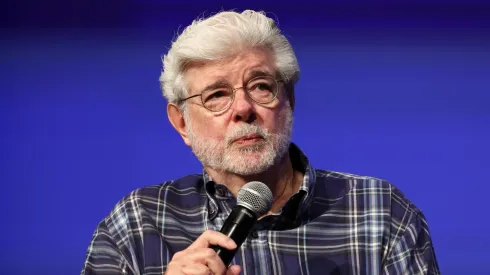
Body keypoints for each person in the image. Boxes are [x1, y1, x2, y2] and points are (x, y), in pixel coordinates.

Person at [81, 9, 440, 275]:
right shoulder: (137, 224)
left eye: (261, 86)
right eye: (217, 95)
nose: (243, 108)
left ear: (290, 100)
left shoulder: (379, 214)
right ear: (182, 124)